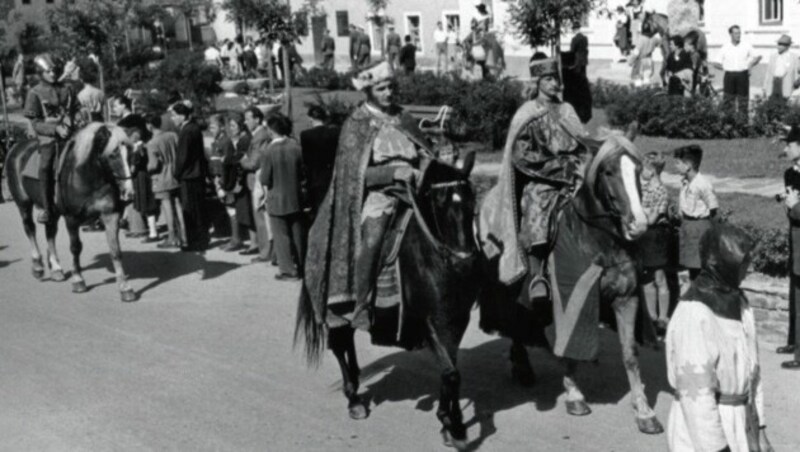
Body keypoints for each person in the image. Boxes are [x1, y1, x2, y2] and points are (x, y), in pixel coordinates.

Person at [304, 60, 435, 330]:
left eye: (390, 87)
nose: (389, 93)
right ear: (369, 91)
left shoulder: (403, 117)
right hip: (381, 194)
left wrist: (425, 164)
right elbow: (354, 175)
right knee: (374, 238)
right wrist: (392, 174)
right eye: (383, 89)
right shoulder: (357, 123)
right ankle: (362, 304)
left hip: (416, 189)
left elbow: (424, 149)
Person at [480, 56, 598, 302]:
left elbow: (582, 141)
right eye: (549, 79)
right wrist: (558, 169)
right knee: (537, 200)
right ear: (538, 82)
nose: (555, 84)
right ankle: (537, 273)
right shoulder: (527, 113)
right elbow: (522, 157)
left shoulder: (567, 110)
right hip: (543, 178)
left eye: (556, 78)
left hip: (574, 173)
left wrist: (588, 156)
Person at [666, 223, 773, 452]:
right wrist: (717, 448)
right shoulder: (695, 313)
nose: (750, 269)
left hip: (742, 424)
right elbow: (696, 394)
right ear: (725, 263)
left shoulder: (741, 305)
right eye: (744, 263)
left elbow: (753, 373)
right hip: (706, 431)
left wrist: (760, 428)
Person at [25, 53, 80, 225]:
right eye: (49, 71)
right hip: (49, 139)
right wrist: (55, 128)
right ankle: (46, 208)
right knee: (45, 166)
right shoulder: (34, 93)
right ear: (41, 73)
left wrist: (77, 117)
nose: (53, 73)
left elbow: (76, 108)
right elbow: (35, 123)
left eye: (55, 70)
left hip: (71, 134)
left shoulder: (68, 88)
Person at [260, 114, 306, 281]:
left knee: (281, 236)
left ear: (272, 130)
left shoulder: (269, 151)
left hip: (276, 198)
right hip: (295, 196)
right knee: (298, 234)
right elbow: (302, 173)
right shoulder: (296, 147)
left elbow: (265, 178)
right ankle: (301, 266)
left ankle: (287, 270)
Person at [638, 152, 671, 334]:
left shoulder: (660, 191)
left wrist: (639, 212)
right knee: (646, 278)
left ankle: (662, 317)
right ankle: (651, 317)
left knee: (659, 277)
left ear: (651, 171)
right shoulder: (641, 188)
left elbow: (651, 219)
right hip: (643, 235)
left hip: (655, 236)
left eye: (643, 168)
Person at [674, 144, 717, 280]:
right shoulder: (685, 182)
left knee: (700, 268)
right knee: (691, 268)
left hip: (700, 226)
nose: (676, 166)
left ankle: (702, 296)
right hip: (687, 226)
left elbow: (714, 208)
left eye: (678, 163)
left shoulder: (703, 184)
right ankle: (694, 294)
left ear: (688, 166)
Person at [171, 101, 209, 252]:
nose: (173, 119)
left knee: (190, 211)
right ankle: (201, 240)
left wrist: (176, 173)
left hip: (189, 176)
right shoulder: (194, 128)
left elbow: (182, 157)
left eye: (174, 115)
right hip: (197, 173)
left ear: (182, 116)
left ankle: (195, 242)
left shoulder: (186, 131)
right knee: (198, 209)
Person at [145, 114, 185, 249]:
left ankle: (172, 237)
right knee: (178, 205)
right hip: (175, 174)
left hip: (161, 178)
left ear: (149, 126)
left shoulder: (152, 143)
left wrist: (147, 167)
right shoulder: (173, 136)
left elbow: (154, 165)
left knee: (167, 207)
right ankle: (184, 235)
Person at [240, 106, 273, 262]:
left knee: (260, 217)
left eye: (248, 118)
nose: (245, 122)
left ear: (257, 119)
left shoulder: (259, 136)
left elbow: (253, 163)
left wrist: (241, 159)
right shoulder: (260, 134)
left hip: (258, 180)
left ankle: (265, 252)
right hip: (259, 179)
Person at [119, 112, 159, 243]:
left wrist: (134, 154)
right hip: (141, 176)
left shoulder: (138, 145)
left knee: (146, 203)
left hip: (140, 177)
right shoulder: (141, 142)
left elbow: (134, 165)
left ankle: (153, 232)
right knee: (143, 203)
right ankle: (147, 229)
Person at [779, 124, 800, 369]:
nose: (785, 149)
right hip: (795, 237)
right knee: (795, 292)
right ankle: (794, 342)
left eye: (789, 144)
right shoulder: (790, 173)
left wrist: (794, 207)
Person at [300, 105, 340, 220]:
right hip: (332, 174)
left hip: (315, 177)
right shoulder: (335, 132)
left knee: (318, 211)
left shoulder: (306, 135)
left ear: (311, 118)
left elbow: (306, 160)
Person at [221, 113, 254, 253]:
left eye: (234, 125)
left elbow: (238, 160)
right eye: (230, 125)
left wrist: (227, 160)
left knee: (245, 210)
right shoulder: (239, 139)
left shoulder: (244, 140)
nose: (231, 128)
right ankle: (241, 239)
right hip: (238, 178)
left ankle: (246, 241)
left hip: (241, 180)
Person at [713, 25, 761, 116]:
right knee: (728, 100)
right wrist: (725, 67)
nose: (738, 35)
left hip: (742, 75)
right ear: (730, 34)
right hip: (729, 76)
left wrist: (750, 65)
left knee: (743, 101)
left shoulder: (746, 45)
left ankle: (742, 123)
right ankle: (729, 123)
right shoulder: (725, 47)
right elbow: (715, 63)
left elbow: (758, 56)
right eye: (735, 33)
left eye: (739, 33)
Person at [563, 21, 592, 124]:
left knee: (577, 77)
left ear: (575, 29)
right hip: (584, 60)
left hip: (577, 61)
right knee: (583, 76)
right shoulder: (585, 38)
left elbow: (572, 51)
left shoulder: (575, 39)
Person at [763, 34, 800, 100]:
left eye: (781, 45)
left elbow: (798, 72)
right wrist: (764, 87)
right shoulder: (773, 57)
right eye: (778, 44)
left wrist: (797, 83)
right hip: (774, 83)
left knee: (785, 105)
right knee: (773, 103)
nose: (779, 46)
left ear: (788, 46)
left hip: (786, 84)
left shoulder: (794, 57)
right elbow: (768, 73)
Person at [630, 21, 661, 87]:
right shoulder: (654, 39)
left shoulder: (641, 39)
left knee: (638, 80)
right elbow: (659, 43)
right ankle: (647, 93)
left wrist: (631, 60)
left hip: (640, 60)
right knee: (647, 79)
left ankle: (640, 94)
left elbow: (636, 51)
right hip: (649, 60)